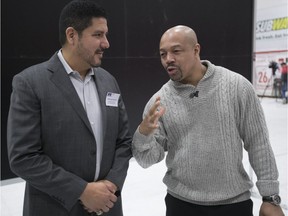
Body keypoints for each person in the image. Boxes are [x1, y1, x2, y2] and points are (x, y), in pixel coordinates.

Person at [132, 25, 285, 216]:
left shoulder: (237, 86)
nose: (168, 59)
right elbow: (147, 160)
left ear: (196, 50)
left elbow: (258, 143)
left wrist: (270, 197)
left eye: (176, 51)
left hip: (234, 205)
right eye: (163, 54)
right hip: (181, 205)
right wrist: (143, 134)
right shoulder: (159, 102)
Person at [7, 1, 132, 215]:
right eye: (98, 35)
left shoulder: (109, 81)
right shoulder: (30, 83)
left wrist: (110, 185)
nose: (106, 43)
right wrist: (82, 191)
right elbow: (23, 157)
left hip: (108, 206)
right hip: (54, 208)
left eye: (106, 35)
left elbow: (123, 141)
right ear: (72, 35)